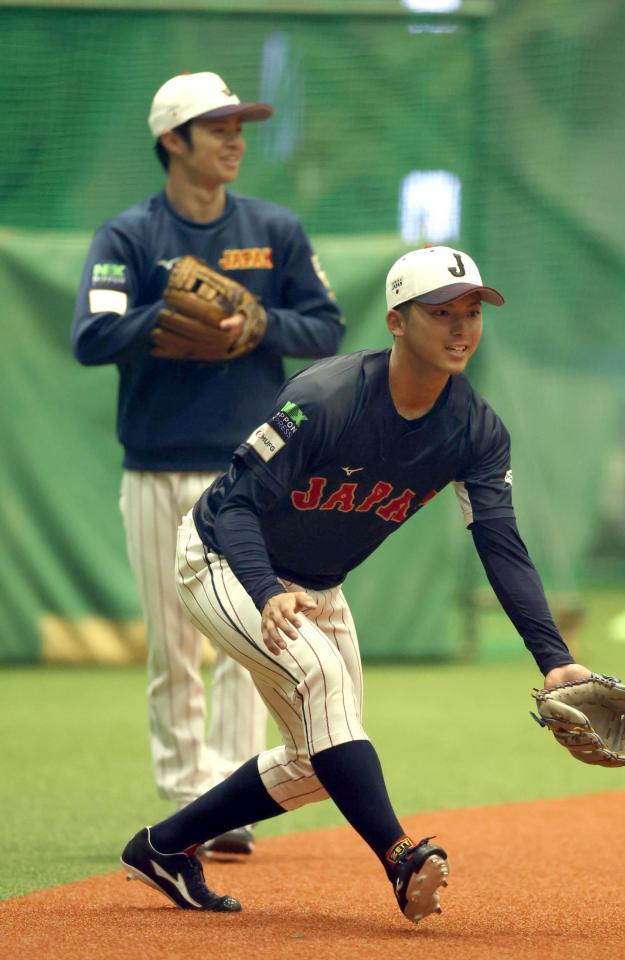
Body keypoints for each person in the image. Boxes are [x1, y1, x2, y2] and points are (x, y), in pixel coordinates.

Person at [120, 245, 592, 924]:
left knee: (319, 759)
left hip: (314, 584)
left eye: (471, 313)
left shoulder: (475, 431)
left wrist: (554, 659)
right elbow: (237, 507)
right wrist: (264, 591)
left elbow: (500, 543)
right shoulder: (324, 398)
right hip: (224, 557)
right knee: (322, 683)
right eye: (440, 314)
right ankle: (401, 857)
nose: (461, 329)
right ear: (398, 322)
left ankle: (164, 848)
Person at [71, 71, 345, 856]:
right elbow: (91, 338)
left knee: (250, 639)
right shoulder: (129, 238)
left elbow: (324, 327)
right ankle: (188, 789)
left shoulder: (275, 229)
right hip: (156, 468)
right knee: (174, 645)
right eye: (216, 126)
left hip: (251, 474)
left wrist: (259, 321)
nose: (235, 138)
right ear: (172, 140)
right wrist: (165, 314)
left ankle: (227, 798)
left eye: (239, 124)